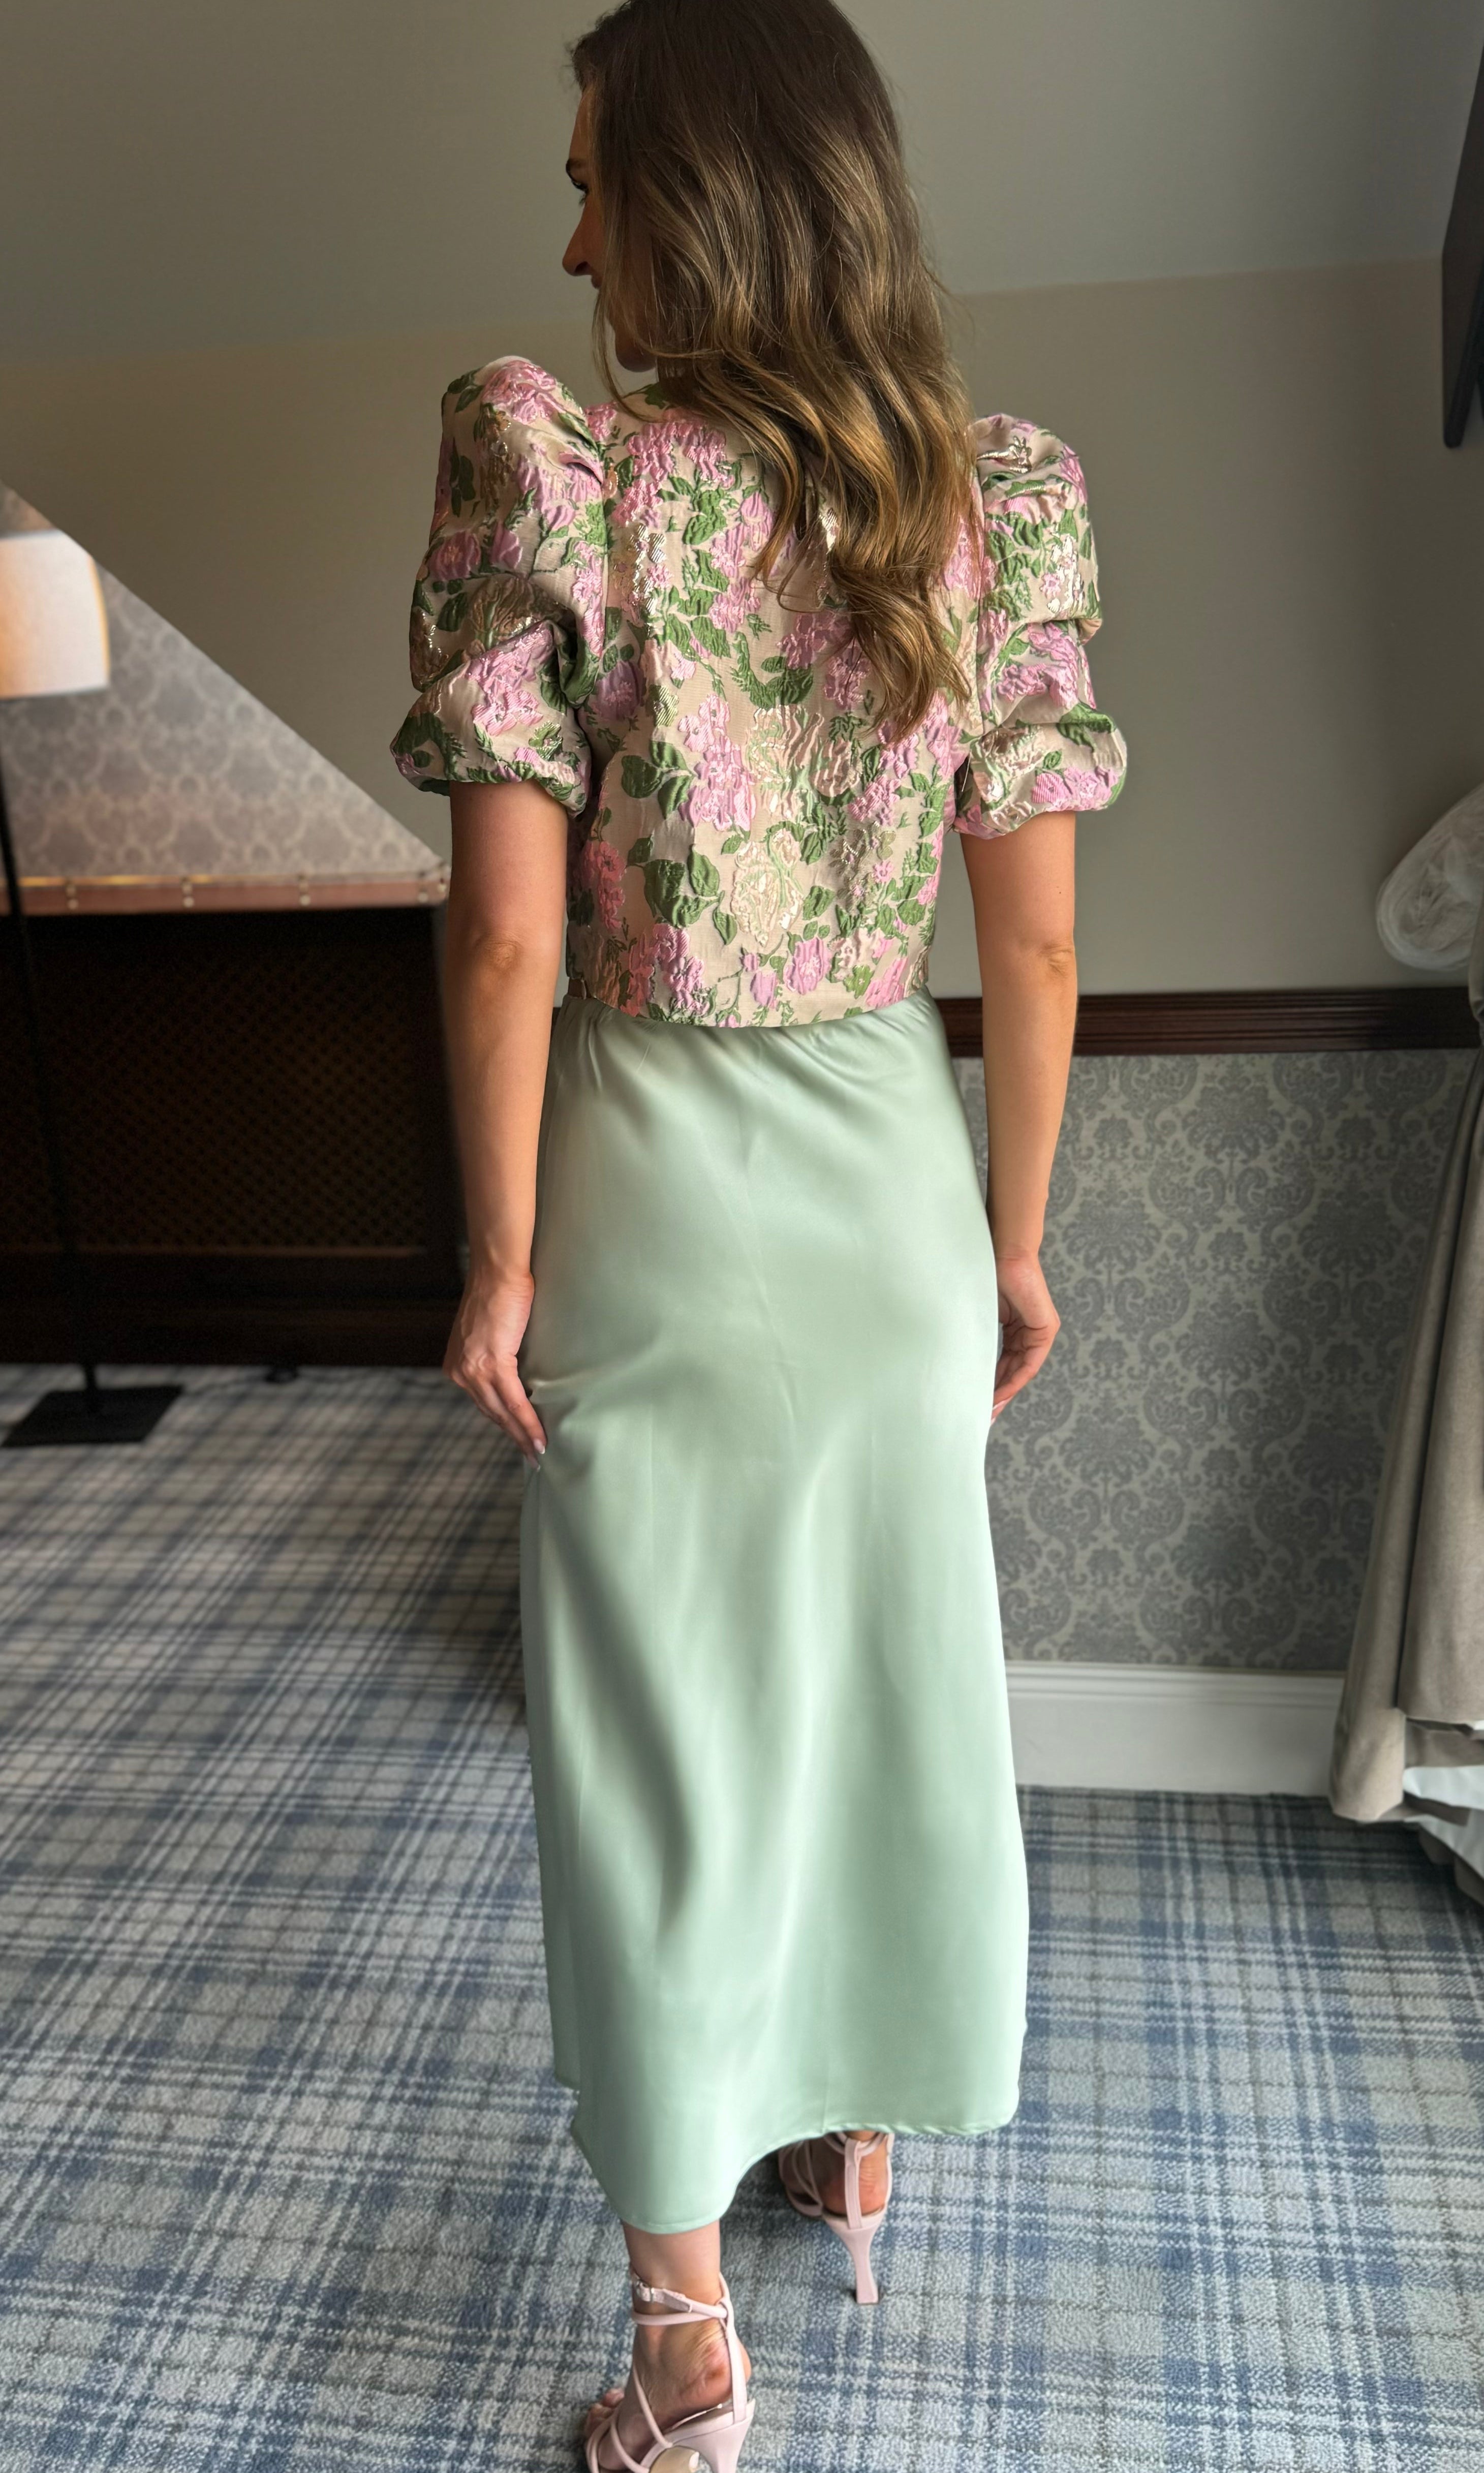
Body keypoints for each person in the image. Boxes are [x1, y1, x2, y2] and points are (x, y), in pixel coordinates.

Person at [390, 3, 1127, 2462]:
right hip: (888, 1167)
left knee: (657, 1745)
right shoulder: (993, 499)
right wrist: (1007, 1239)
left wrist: (498, 1254)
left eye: (592, 180)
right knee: (877, 1677)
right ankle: (848, 2125)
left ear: (699, 199)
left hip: (654, 1183)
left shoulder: (559, 470)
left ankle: (686, 2344)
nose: (571, 239)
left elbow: (506, 935)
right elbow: (1033, 946)